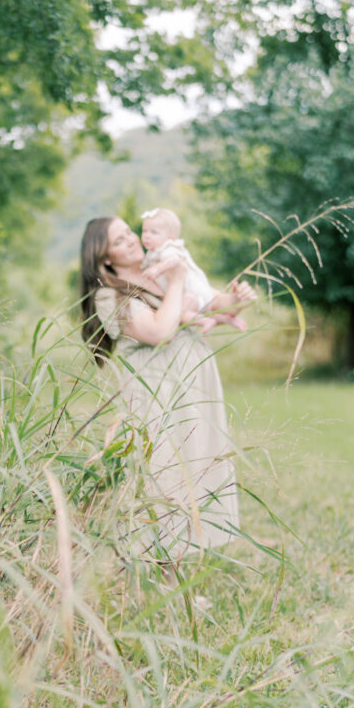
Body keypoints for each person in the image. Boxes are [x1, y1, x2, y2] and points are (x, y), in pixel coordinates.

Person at [79, 215, 256, 558]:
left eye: (129, 232)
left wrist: (237, 297)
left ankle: (177, 577)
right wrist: (175, 282)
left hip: (191, 389)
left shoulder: (156, 269)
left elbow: (207, 302)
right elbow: (159, 331)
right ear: (104, 258)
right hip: (157, 395)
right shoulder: (108, 295)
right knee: (164, 476)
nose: (131, 240)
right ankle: (159, 580)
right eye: (118, 240)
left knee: (194, 468)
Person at [140, 207, 250, 334]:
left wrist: (157, 269)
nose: (147, 236)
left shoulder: (168, 248)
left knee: (178, 314)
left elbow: (174, 260)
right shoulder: (154, 251)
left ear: (171, 237)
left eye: (154, 232)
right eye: (144, 231)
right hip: (191, 295)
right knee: (189, 312)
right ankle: (226, 319)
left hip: (193, 292)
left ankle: (205, 321)